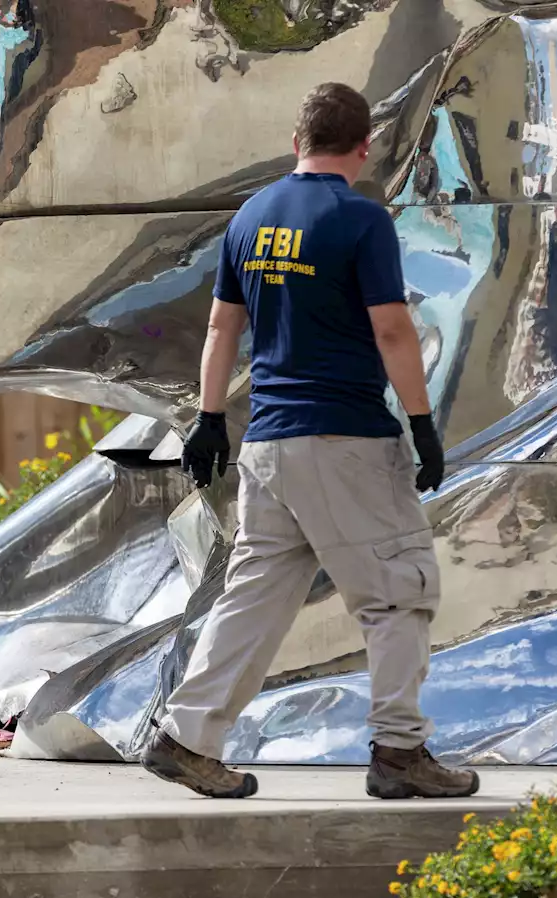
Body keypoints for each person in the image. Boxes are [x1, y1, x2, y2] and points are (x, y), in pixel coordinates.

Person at [140, 84, 477, 800]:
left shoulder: (251, 217)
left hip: (267, 443)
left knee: (255, 598)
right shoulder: (360, 218)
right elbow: (391, 328)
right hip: (344, 438)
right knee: (399, 590)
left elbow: (220, 331)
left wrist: (207, 420)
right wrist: (421, 423)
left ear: (297, 142)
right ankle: (399, 751)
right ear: (363, 149)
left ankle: (186, 737)